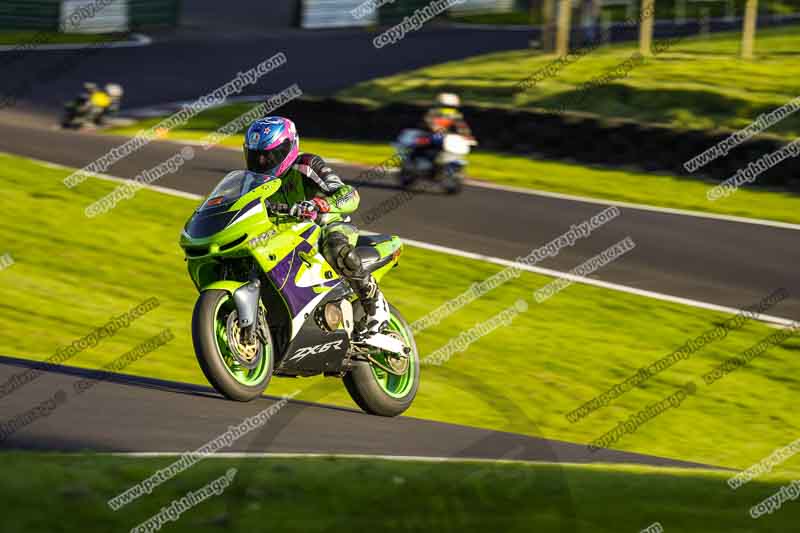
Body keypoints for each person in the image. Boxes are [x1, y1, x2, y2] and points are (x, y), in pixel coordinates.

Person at [242, 116, 389, 338]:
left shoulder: (307, 165)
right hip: (285, 234)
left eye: (269, 155)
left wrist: (322, 204)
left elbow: (350, 195)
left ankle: (373, 301)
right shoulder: (251, 181)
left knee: (335, 247)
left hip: (326, 225)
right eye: (256, 156)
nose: (262, 162)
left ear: (288, 148)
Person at [410, 93, 474, 176]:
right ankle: (418, 163)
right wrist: (434, 128)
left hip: (446, 138)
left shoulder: (456, 116)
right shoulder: (432, 113)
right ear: (440, 105)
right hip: (428, 135)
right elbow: (428, 122)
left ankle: (442, 165)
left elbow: (462, 127)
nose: (448, 109)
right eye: (446, 106)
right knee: (424, 144)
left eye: (451, 107)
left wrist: (468, 137)